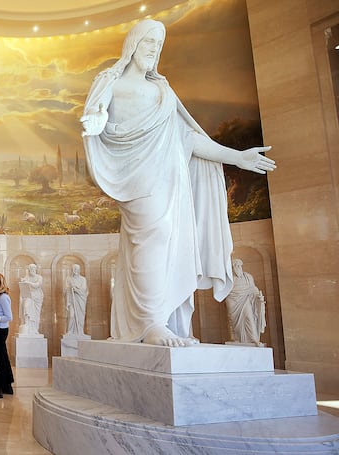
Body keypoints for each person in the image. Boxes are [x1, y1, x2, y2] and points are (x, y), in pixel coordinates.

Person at [80, 19, 275, 347]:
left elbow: (187, 138)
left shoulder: (163, 91)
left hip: (171, 178)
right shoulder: (110, 81)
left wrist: (236, 156)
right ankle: (150, 323)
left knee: (172, 242)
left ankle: (164, 321)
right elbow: (97, 117)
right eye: (148, 42)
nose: (154, 50)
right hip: (137, 178)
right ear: (133, 45)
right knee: (152, 238)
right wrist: (96, 121)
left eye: (158, 45)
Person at [225, 259, 267, 345]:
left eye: (239, 266)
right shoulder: (229, 278)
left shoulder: (248, 277)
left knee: (249, 317)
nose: (237, 268)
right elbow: (224, 291)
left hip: (245, 301)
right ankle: (236, 338)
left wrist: (259, 297)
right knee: (233, 321)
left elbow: (253, 289)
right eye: (235, 266)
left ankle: (254, 339)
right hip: (232, 301)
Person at [18, 264, 43, 335]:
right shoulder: (27, 277)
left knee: (36, 314)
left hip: (37, 298)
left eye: (33, 268)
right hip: (28, 296)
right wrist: (23, 281)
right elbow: (23, 285)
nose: (32, 270)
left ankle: (35, 329)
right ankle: (26, 324)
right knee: (26, 307)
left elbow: (38, 285)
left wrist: (28, 282)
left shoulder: (39, 277)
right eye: (31, 269)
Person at [64, 264, 88, 336]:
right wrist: (69, 289)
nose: (75, 270)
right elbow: (65, 290)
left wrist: (75, 288)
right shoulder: (69, 279)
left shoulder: (83, 279)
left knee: (80, 316)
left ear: (79, 270)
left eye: (77, 269)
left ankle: (80, 331)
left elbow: (83, 289)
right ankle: (70, 331)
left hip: (80, 300)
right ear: (72, 270)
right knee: (71, 315)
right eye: (74, 269)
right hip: (72, 300)